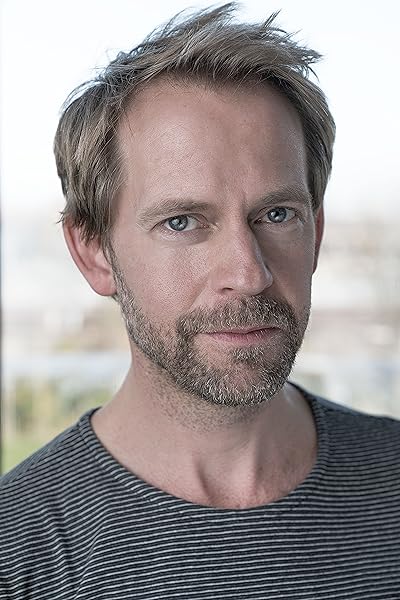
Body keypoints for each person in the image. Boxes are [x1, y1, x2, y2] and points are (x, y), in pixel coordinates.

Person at [1, 3, 399, 598]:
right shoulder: (18, 553)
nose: (249, 273)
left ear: (316, 233)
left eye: (277, 214)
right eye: (182, 222)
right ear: (94, 252)